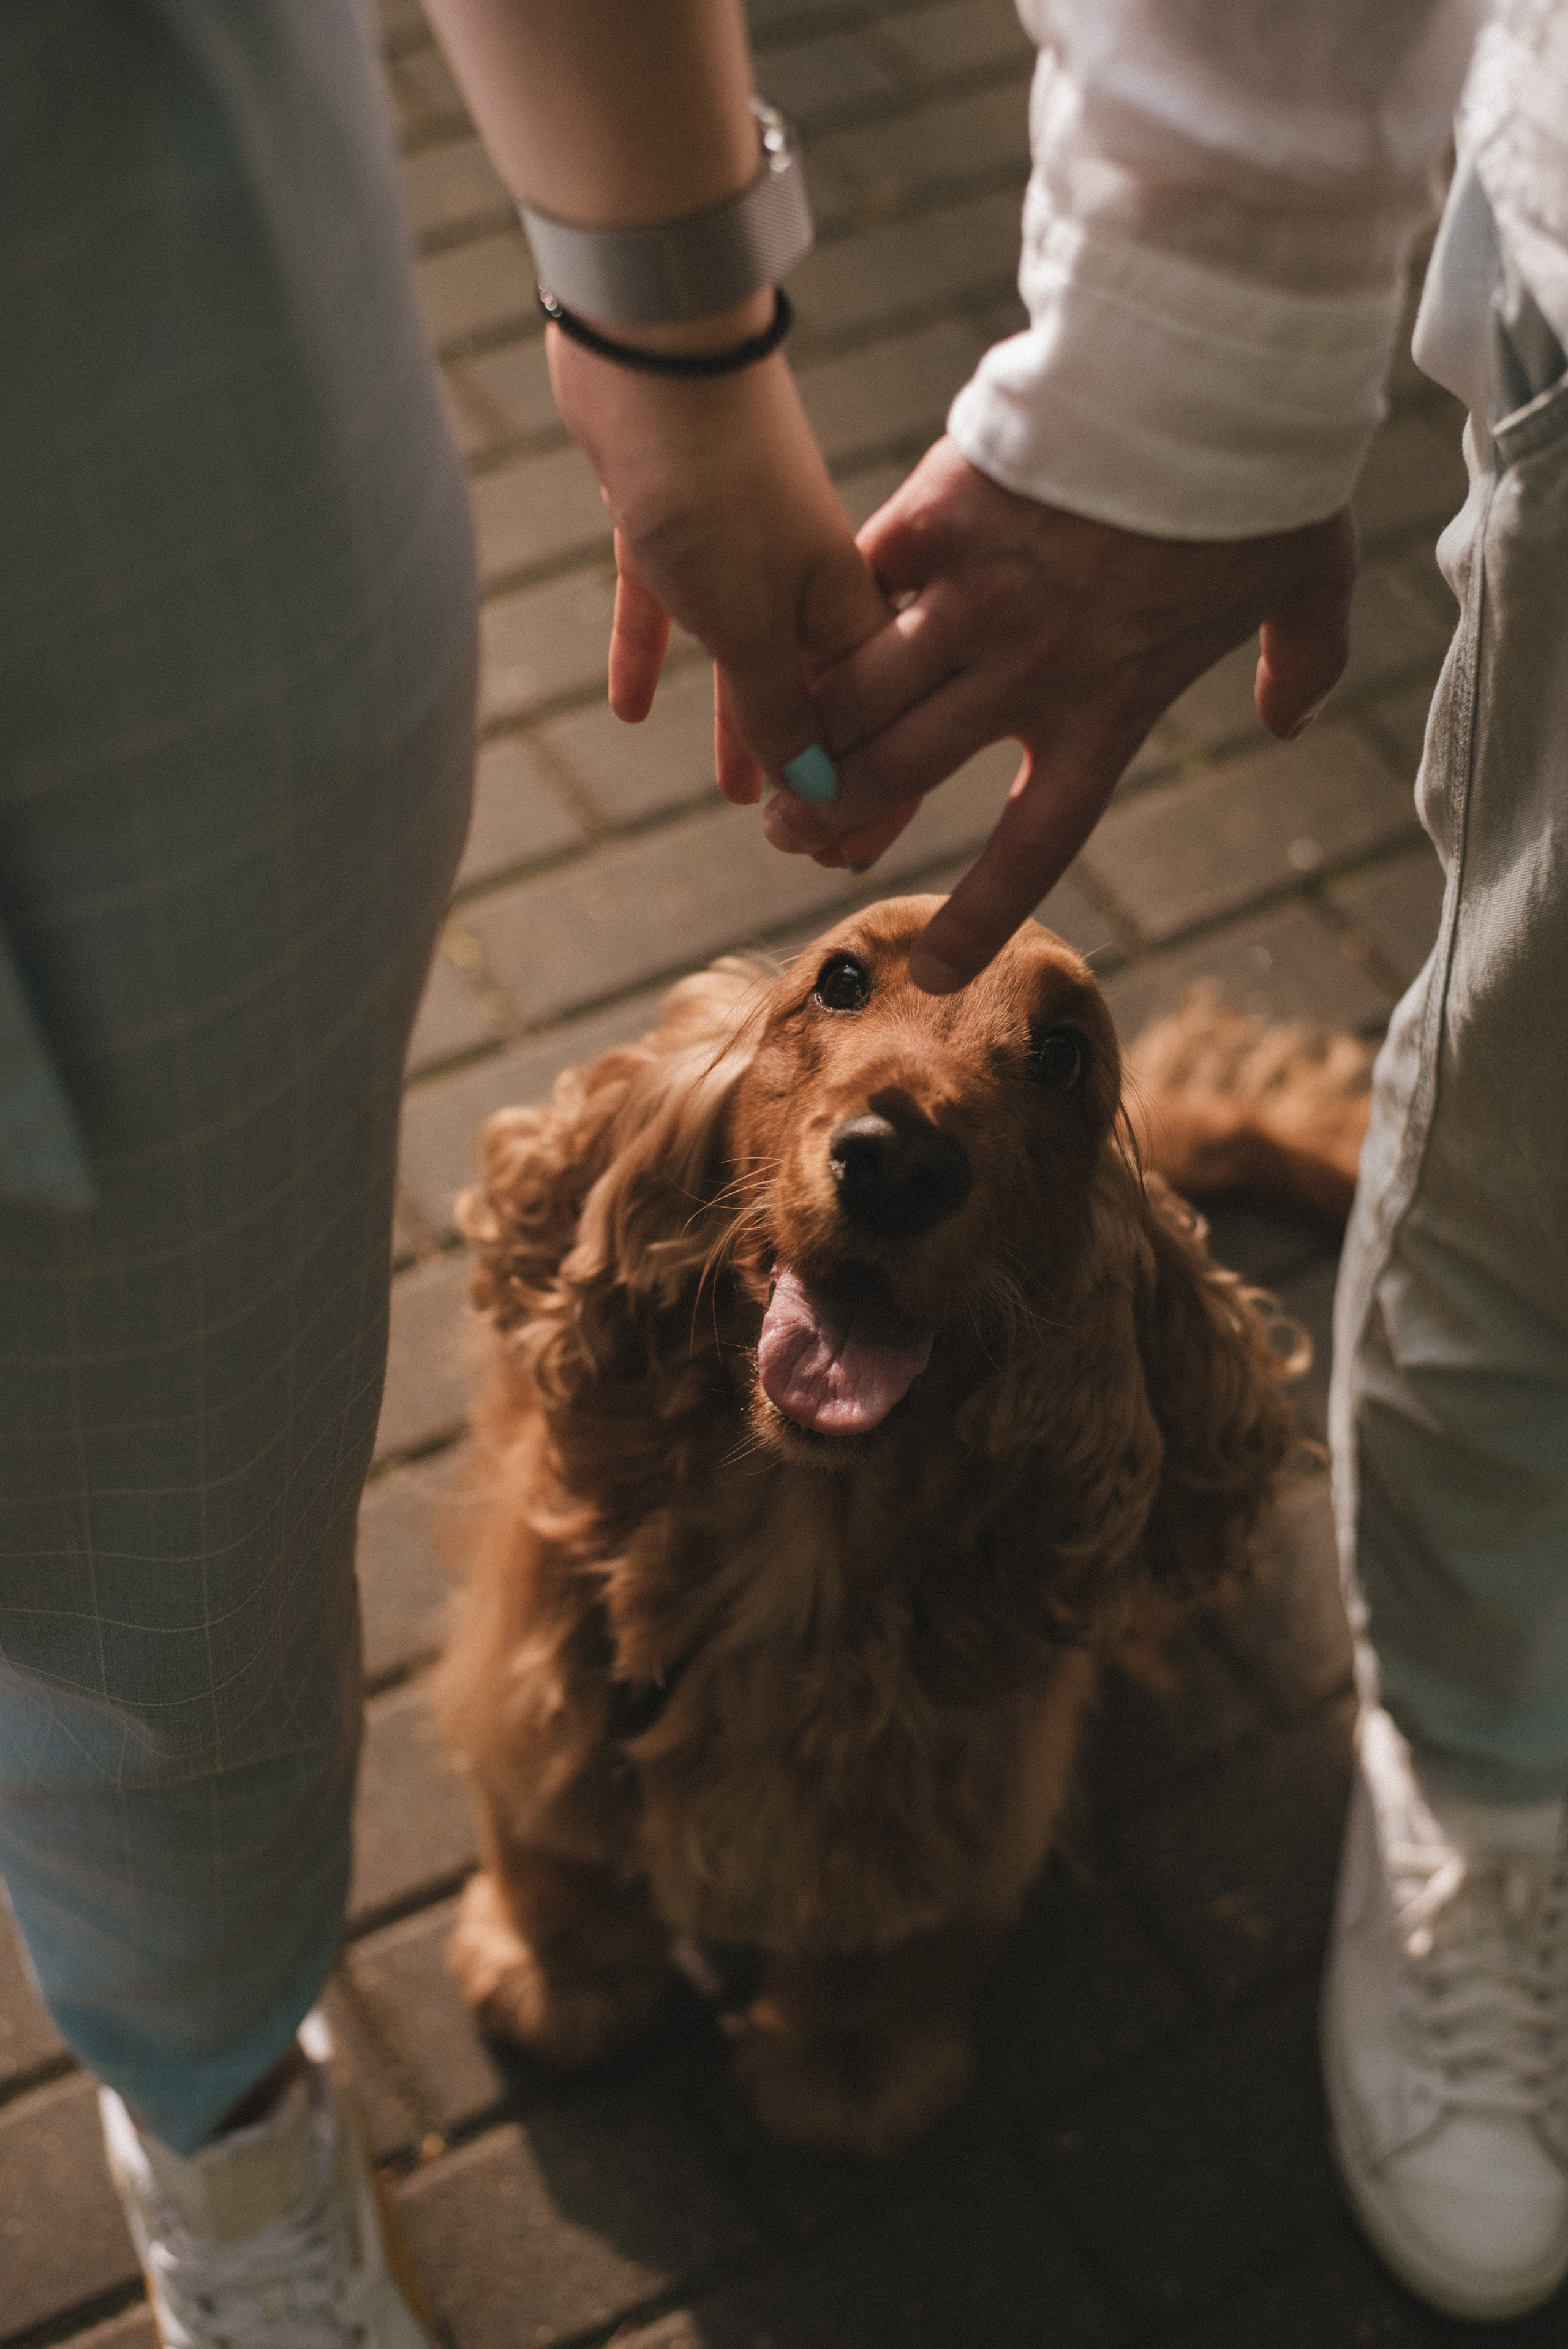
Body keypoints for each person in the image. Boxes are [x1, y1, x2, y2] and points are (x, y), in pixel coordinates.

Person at [0, 0, 1562, 2341]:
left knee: (894, 1987)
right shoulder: (652, 1332)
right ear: (724, 1089)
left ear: (1078, 1242)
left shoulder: (1027, 1478)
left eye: (1042, 1080)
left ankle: (857, 2005)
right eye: (845, 996)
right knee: (545, 1860)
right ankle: (514, 1966)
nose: (914, 1098)